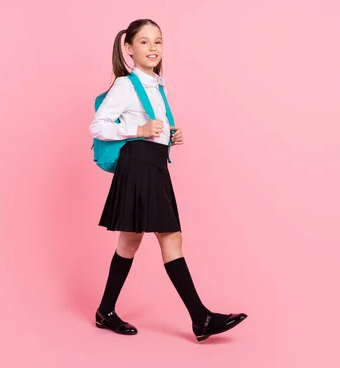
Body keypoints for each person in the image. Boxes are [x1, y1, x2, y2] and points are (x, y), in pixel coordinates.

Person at [89, 18, 247, 342]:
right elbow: (98, 125)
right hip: (138, 167)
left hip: (155, 166)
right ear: (129, 49)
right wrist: (139, 131)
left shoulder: (157, 84)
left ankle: (105, 311)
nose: (152, 48)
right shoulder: (125, 85)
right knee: (168, 236)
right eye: (144, 42)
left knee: (131, 241)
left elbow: (155, 126)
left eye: (157, 42)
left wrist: (169, 136)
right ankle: (200, 318)